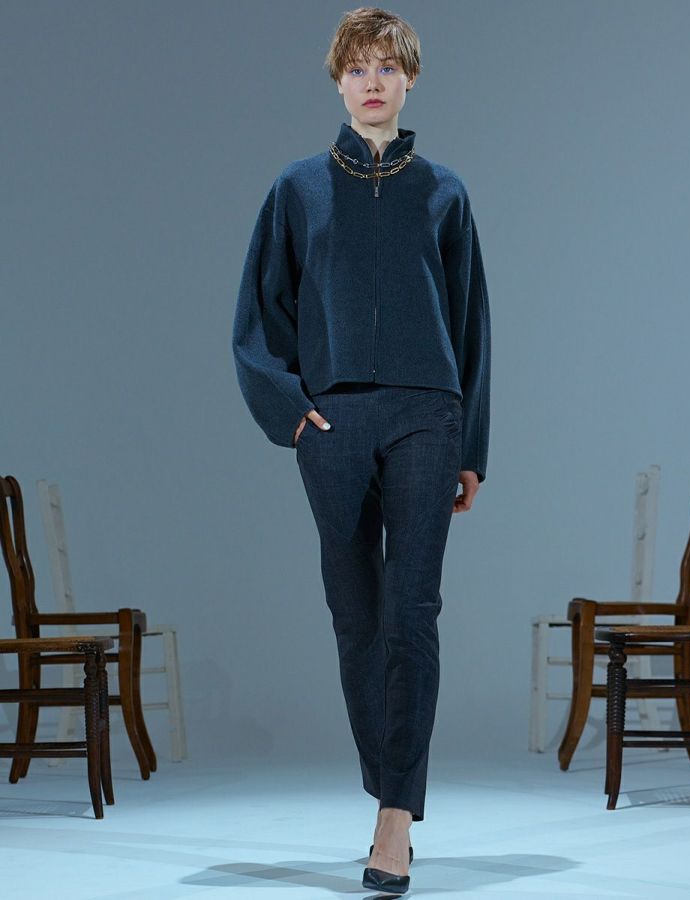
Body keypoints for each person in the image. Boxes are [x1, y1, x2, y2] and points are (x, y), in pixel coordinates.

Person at [232, 6, 491, 894]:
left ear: (409, 79)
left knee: (412, 612)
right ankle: (389, 786)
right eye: (357, 69)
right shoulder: (298, 189)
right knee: (356, 617)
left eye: (386, 67)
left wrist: (472, 444)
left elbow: (471, 324)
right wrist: (292, 411)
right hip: (334, 422)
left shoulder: (444, 192)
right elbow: (257, 316)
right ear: (338, 82)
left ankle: (394, 820)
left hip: (426, 415)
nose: (372, 82)